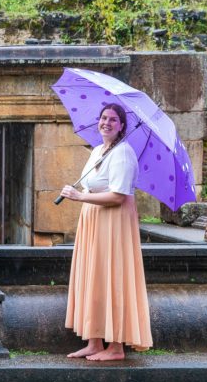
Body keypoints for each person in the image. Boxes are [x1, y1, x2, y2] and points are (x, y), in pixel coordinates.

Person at [59, 103, 152, 361]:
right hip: (93, 222)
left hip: (113, 222)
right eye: (103, 118)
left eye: (113, 119)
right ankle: (94, 341)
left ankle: (116, 347)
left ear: (122, 125)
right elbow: (92, 184)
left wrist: (79, 197)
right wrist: (78, 191)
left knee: (113, 276)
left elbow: (119, 196)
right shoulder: (99, 150)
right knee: (95, 277)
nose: (106, 123)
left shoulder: (123, 153)